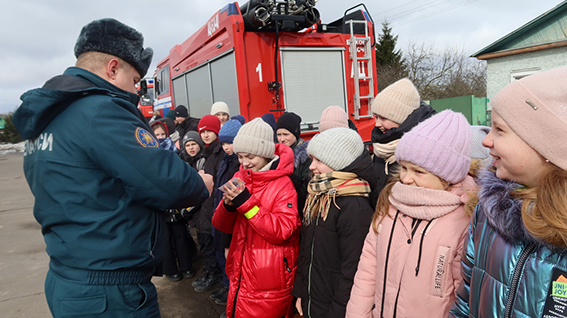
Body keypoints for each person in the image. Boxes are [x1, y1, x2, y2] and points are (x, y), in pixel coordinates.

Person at [11, 18, 213, 318]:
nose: (136, 92)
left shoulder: (47, 118)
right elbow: (167, 182)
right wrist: (201, 183)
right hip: (109, 290)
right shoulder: (100, 111)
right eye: (135, 81)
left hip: (68, 277)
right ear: (113, 67)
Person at [449, 66, 567, 317]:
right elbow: (466, 297)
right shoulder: (489, 211)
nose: (486, 140)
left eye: (500, 130)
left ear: (546, 145)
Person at [346, 110, 476, 318]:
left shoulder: (463, 221)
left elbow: (465, 296)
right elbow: (367, 271)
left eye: (418, 172)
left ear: (446, 176)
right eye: (404, 168)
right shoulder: (391, 205)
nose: (405, 179)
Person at [212, 118, 301, 318]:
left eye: (250, 156)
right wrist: (227, 206)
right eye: (241, 157)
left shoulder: (283, 184)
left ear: (265, 154)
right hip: (242, 268)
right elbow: (219, 224)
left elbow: (283, 230)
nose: (244, 163)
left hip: (268, 276)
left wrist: (246, 203)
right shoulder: (240, 175)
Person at [293, 127, 377, 318]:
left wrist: (337, 312)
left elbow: (352, 271)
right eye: (312, 159)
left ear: (339, 162)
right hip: (313, 299)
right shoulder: (318, 195)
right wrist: (300, 292)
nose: (311, 166)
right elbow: (307, 251)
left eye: (319, 160)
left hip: (334, 308)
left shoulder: (354, 207)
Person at [369, 78, 436, 207]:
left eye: (383, 118)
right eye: (376, 117)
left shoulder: (422, 149)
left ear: (402, 117)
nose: (377, 124)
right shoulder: (382, 146)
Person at [211, 119, 242, 308]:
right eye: (223, 143)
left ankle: (233, 294)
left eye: (229, 142)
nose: (226, 147)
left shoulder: (239, 165)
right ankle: (226, 286)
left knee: (230, 258)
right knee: (222, 255)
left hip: (231, 218)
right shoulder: (224, 162)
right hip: (221, 213)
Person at [193, 114, 225, 293]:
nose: (205, 135)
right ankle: (210, 271)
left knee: (212, 243)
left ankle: (215, 275)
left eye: (209, 131)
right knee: (206, 240)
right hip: (206, 203)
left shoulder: (218, 153)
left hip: (212, 202)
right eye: (202, 132)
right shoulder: (206, 152)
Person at [276, 112, 312, 214]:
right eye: (279, 134)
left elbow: (306, 188)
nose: (282, 139)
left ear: (295, 133)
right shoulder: (275, 155)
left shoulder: (306, 157)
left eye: (286, 134)